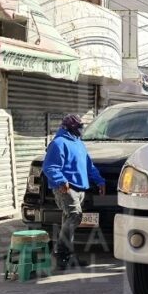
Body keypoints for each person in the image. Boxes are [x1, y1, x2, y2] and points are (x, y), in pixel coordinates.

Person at [43, 114, 105, 269]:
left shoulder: (78, 143)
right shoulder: (58, 143)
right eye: (79, 127)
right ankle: (60, 251)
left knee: (68, 220)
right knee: (75, 216)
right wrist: (61, 181)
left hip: (79, 188)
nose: (82, 129)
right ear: (71, 127)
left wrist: (99, 181)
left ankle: (66, 256)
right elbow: (49, 167)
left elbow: (89, 166)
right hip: (66, 188)